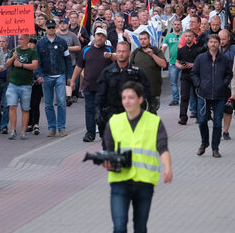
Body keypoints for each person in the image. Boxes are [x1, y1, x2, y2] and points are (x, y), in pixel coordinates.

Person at [102, 81, 172, 233]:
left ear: (140, 99)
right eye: (124, 97)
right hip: (119, 181)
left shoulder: (154, 122)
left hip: (144, 183)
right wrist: (107, 162)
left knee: (140, 228)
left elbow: (162, 147)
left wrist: (168, 167)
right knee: (119, 227)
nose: (127, 101)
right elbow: (109, 150)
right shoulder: (114, 122)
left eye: (131, 97)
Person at [96, 41, 152, 144]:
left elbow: (146, 92)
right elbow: (100, 94)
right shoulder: (107, 72)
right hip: (112, 112)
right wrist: (98, 112)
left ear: (129, 53)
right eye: (119, 51)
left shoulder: (137, 72)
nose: (121, 54)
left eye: (124, 51)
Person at [70, 28, 115, 142]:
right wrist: (73, 80)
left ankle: (103, 132)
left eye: (102, 36)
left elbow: (118, 60)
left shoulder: (109, 49)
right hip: (89, 86)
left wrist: (111, 56)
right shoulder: (86, 49)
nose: (100, 38)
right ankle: (90, 133)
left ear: (105, 38)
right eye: (98, 35)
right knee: (89, 110)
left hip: (105, 87)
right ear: (94, 36)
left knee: (103, 111)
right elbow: (79, 66)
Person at [191, 34, 232, 157]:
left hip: (219, 95)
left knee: (217, 123)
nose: (213, 44)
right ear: (208, 44)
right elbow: (194, 73)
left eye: (215, 42)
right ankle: (204, 142)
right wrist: (199, 84)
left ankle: (215, 148)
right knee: (202, 121)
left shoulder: (224, 59)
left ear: (219, 44)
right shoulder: (201, 58)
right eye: (211, 42)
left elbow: (229, 74)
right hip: (203, 94)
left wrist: (223, 84)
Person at [35, 20, 72, 137]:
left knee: (61, 102)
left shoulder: (62, 42)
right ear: (46, 28)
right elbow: (37, 61)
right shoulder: (40, 43)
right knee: (48, 104)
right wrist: (38, 75)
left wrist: (69, 76)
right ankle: (52, 127)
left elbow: (68, 59)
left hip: (60, 74)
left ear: (55, 28)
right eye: (49, 27)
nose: (51, 29)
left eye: (52, 27)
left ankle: (61, 127)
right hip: (46, 76)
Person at [4, 34, 39, 140]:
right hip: (13, 84)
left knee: (25, 108)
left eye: (21, 39)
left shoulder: (32, 52)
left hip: (26, 85)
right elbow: (6, 65)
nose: (19, 41)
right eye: (18, 39)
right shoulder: (14, 50)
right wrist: (12, 58)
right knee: (12, 107)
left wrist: (22, 65)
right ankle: (13, 130)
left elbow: (35, 65)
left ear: (27, 40)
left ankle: (23, 132)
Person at [130, 31, 167, 112]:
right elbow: (129, 68)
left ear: (149, 39)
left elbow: (164, 65)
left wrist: (153, 55)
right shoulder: (135, 52)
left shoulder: (156, 50)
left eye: (145, 39)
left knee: (152, 113)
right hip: (139, 90)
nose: (143, 41)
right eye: (141, 39)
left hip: (153, 90)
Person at [176, 30, 200, 125]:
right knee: (184, 96)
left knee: (198, 96)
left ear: (193, 37)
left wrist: (193, 65)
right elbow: (176, 62)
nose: (188, 38)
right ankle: (183, 117)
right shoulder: (181, 50)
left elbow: (201, 63)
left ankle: (199, 116)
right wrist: (181, 66)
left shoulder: (198, 49)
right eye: (186, 36)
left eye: (190, 36)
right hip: (185, 75)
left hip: (196, 76)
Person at [219, 29, 235, 140]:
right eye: (220, 39)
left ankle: (225, 131)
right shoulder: (213, 48)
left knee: (228, 108)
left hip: (230, 84)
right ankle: (218, 127)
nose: (221, 41)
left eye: (223, 39)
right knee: (216, 109)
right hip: (216, 84)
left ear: (229, 38)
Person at [56, 19, 82, 106]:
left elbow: (78, 47)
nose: (62, 25)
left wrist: (67, 48)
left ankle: (68, 97)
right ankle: (61, 98)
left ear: (68, 25)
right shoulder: (55, 35)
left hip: (71, 61)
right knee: (59, 81)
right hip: (58, 62)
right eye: (61, 23)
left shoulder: (72, 35)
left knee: (69, 80)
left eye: (64, 24)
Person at [162, 19, 183, 106]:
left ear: (181, 25)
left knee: (184, 82)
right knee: (173, 82)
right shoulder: (168, 36)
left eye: (178, 24)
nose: (177, 26)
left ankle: (185, 98)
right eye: (175, 24)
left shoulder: (185, 35)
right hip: (172, 62)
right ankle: (175, 99)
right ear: (173, 26)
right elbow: (163, 49)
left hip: (183, 63)